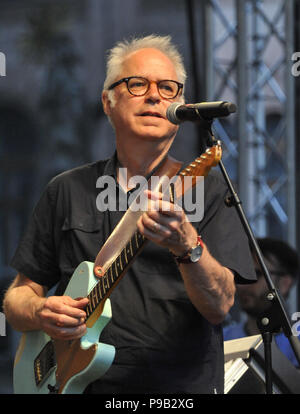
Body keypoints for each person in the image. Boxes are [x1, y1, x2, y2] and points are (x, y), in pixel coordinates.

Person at [3, 34, 256, 394]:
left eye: (169, 88)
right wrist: (41, 311)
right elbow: (16, 299)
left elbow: (220, 306)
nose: (155, 96)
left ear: (180, 109)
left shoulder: (209, 190)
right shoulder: (66, 190)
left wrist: (188, 245)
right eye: (138, 84)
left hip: (181, 391)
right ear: (107, 102)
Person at [223, 237, 299, 368]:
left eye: (256, 273)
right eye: (240, 275)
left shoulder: (296, 339)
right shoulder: (223, 341)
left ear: (285, 283)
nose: (242, 285)